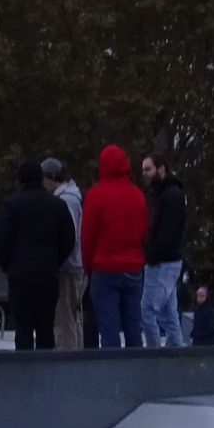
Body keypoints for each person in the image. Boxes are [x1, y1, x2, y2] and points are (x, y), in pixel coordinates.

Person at [0, 160, 76, 352]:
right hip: (48, 273)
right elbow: (69, 238)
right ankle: (46, 372)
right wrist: (55, 261)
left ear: (20, 180)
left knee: (23, 326)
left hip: (20, 274)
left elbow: (1, 238)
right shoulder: (57, 205)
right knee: (46, 326)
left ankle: (24, 371)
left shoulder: (11, 205)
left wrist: (7, 265)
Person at [79, 145, 148, 348]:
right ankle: (136, 372)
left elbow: (87, 235)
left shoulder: (96, 195)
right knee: (133, 327)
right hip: (134, 267)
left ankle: (114, 374)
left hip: (105, 268)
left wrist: (87, 266)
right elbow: (143, 229)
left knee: (109, 330)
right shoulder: (137, 195)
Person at [138, 153, 188, 348]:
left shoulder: (171, 195)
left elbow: (169, 232)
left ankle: (155, 355)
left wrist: (151, 254)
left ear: (161, 168)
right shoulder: (166, 193)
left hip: (163, 262)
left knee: (148, 311)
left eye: (148, 169)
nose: (145, 174)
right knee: (169, 314)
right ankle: (176, 353)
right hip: (166, 261)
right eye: (143, 170)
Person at [41, 156, 84, 349]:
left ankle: (67, 356)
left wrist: (55, 261)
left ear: (50, 177)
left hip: (67, 268)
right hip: (73, 266)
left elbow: (69, 235)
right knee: (73, 318)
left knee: (64, 318)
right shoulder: (71, 197)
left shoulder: (65, 201)